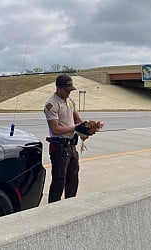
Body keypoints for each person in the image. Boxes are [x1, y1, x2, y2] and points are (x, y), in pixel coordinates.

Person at [43, 74, 93, 203]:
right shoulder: (51, 104)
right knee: (59, 181)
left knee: (73, 179)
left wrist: (88, 128)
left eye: (70, 90)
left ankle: (70, 205)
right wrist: (76, 128)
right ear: (58, 88)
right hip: (59, 147)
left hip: (71, 146)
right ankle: (53, 208)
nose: (69, 92)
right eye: (66, 90)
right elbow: (56, 129)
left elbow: (78, 120)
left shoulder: (70, 101)